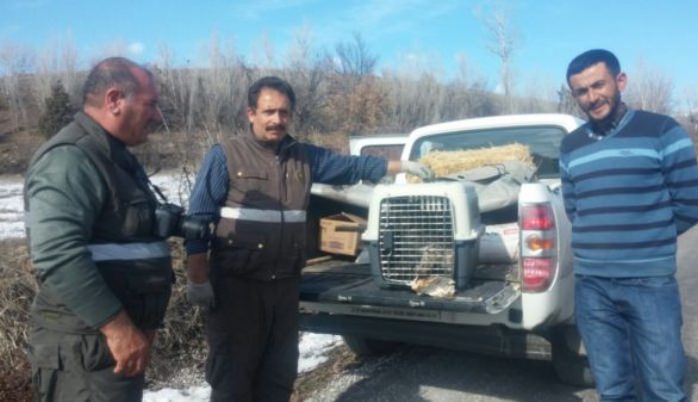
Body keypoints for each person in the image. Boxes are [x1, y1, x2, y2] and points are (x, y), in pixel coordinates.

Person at [184, 76, 433, 402]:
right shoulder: (225, 156)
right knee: (233, 377)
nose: (277, 120)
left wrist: (401, 165)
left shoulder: (303, 156)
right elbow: (198, 221)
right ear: (251, 113)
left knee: (278, 375)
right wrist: (198, 279)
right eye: (269, 111)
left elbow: (350, 165)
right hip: (236, 288)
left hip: (284, 288)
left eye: (284, 113)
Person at [559, 49, 698, 401]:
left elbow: (690, 205)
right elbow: (574, 207)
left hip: (649, 283)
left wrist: (647, 239)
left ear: (619, 81)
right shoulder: (570, 146)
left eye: (599, 85)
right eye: (581, 91)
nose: (592, 97)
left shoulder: (662, 131)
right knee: (611, 388)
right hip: (592, 286)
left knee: (663, 387)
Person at [24, 57, 172, 402]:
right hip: (87, 348)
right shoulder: (71, 158)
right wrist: (118, 329)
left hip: (107, 349)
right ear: (114, 99)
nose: (156, 115)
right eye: (150, 104)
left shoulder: (112, 156)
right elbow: (56, 253)